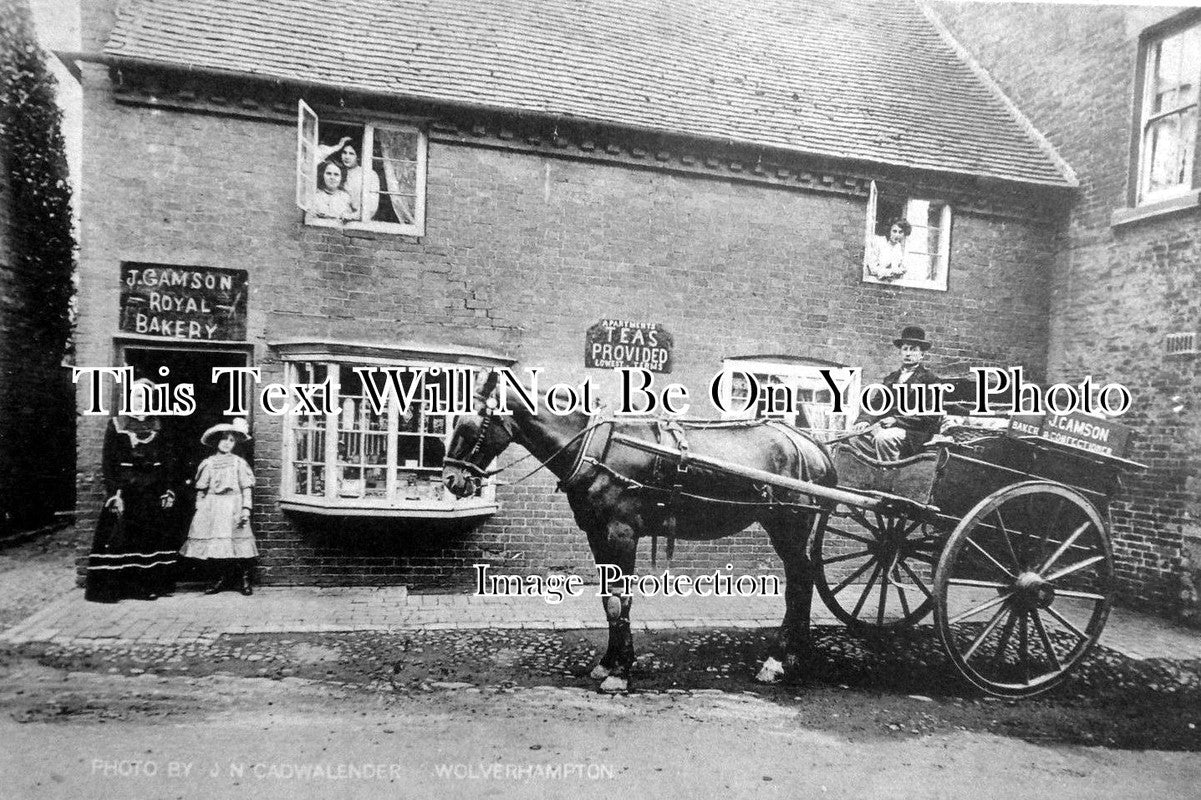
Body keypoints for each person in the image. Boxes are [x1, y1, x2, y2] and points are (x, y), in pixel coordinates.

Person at [85, 378, 179, 603]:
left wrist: (167, 490)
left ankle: (146, 586)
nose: (140, 401)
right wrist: (114, 493)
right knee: (121, 537)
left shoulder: (158, 425)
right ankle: (118, 588)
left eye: (144, 397)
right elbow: (108, 462)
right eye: (137, 396)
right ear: (130, 398)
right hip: (126, 490)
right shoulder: (117, 424)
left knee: (148, 539)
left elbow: (168, 461)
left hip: (150, 491)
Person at [180, 418, 258, 596]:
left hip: (234, 505)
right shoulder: (208, 463)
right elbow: (201, 489)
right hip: (214, 506)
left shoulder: (239, 463)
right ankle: (219, 579)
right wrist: (201, 507)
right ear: (217, 442)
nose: (227, 443)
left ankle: (244, 579)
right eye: (224, 439)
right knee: (216, 543)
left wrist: (246, 508)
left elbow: (246, 488)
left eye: (231, 440)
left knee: (240, 541)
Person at [852, 325, 943, 461]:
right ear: (900, 352)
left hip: (914, 432)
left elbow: (931, 417)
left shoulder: (931, 380)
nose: (908, 353)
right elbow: (876, 405)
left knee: (884, 439)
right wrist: (864, 421)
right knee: (852, 439)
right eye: (905, 349)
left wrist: (896, 420)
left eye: (913, 350)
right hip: (885, 428)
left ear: (922, 354)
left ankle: (889, 475)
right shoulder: (891, 378)